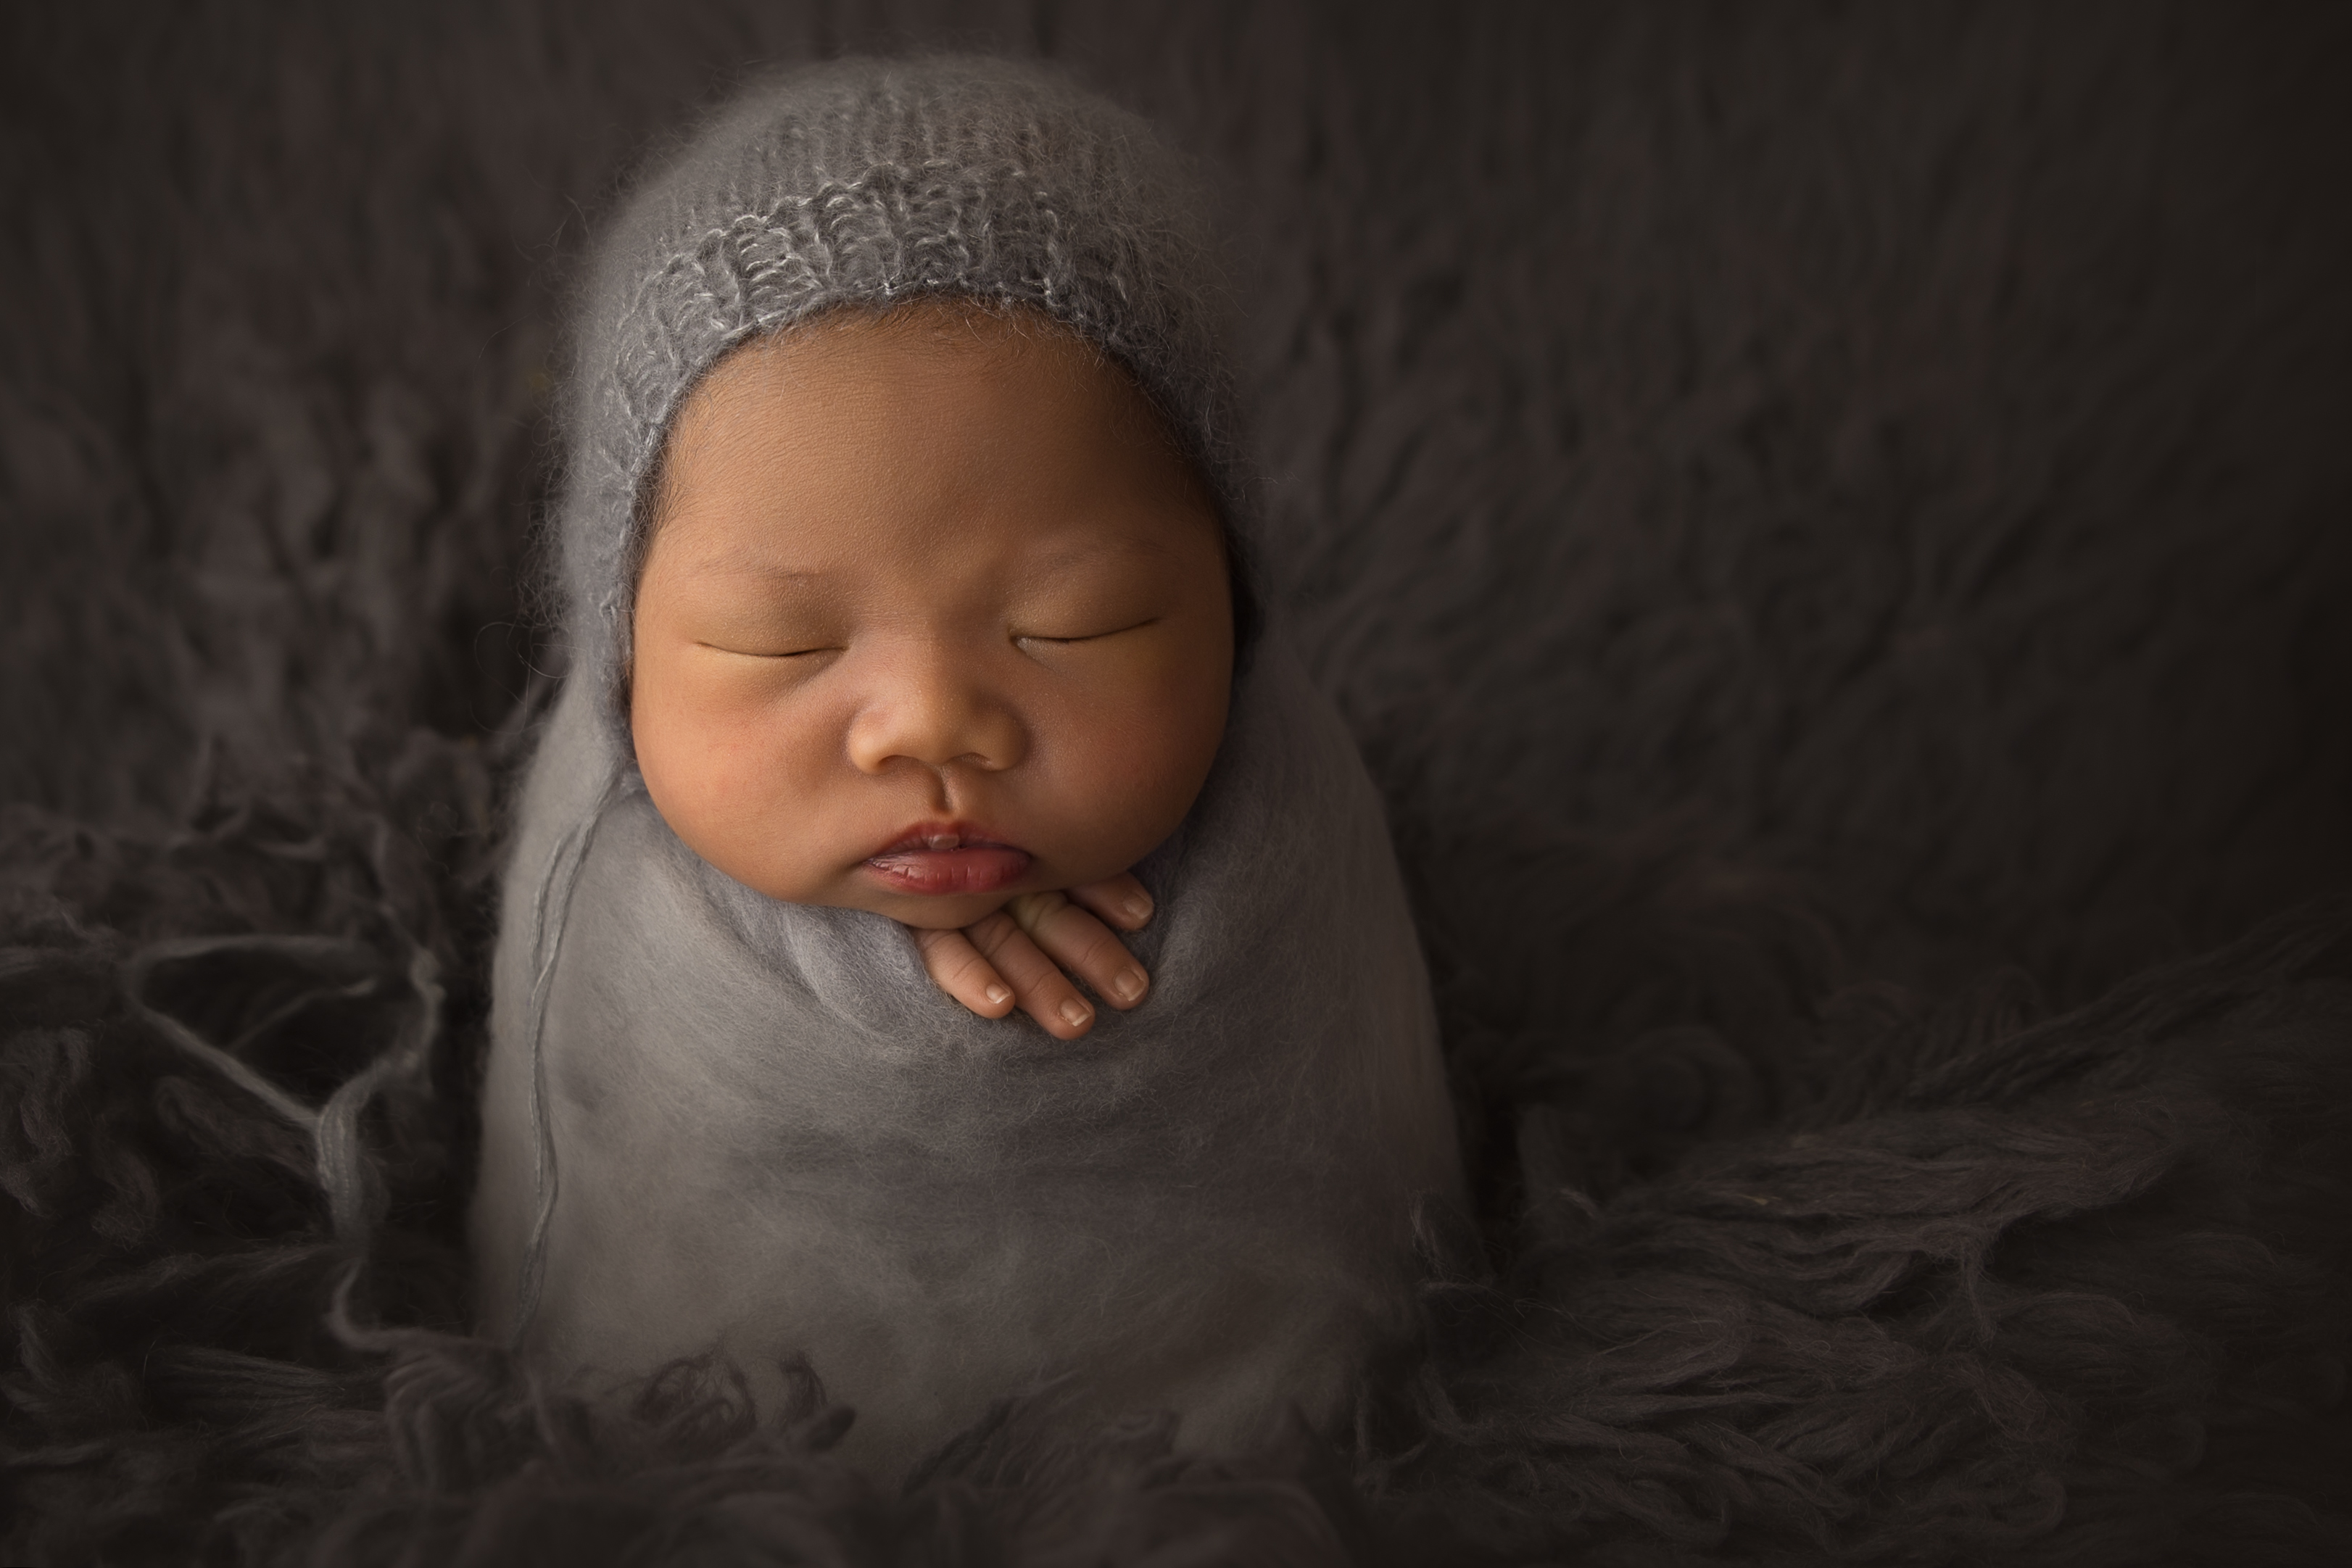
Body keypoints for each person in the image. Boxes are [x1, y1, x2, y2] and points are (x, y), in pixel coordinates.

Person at [471, 54, 1464, 1478]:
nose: (928, 725)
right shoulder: (599, 877)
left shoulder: (1289, 829)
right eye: (778, 643)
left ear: (1230, 614)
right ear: (623, 662)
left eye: (1073, 623)